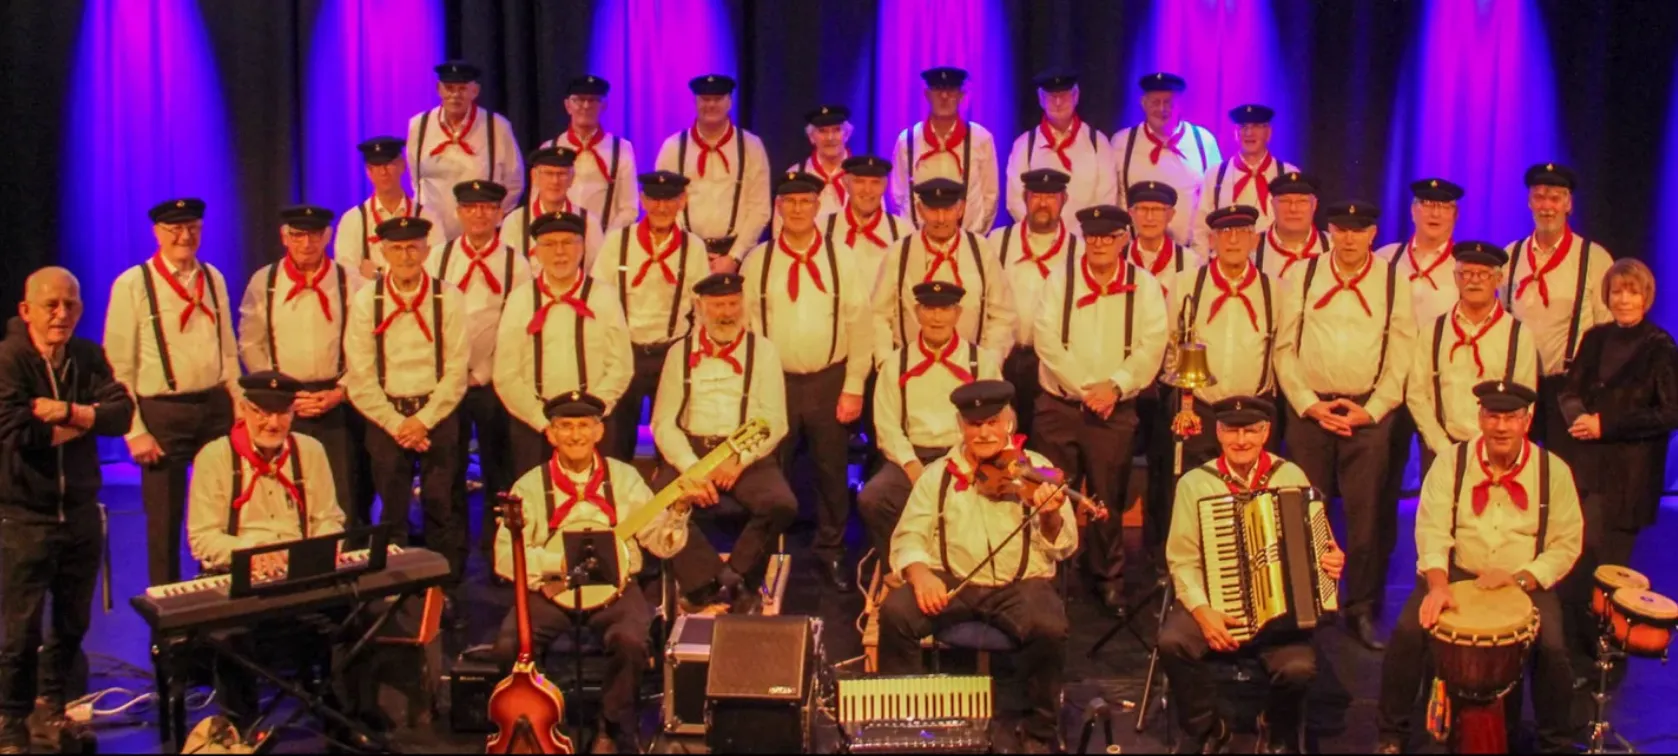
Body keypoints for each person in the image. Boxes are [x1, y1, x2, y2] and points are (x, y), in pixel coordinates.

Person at [1375, 381, 1582, 755]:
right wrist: (1438, 585)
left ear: (1527, 420)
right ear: (1480, 418)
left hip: (1524, 580)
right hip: (1457, 573)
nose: (1501, 427)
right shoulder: (1451, 463)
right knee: (1407, 632)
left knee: (1552, 648)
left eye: (1511, 418)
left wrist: (1520, 578)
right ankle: (1392, 734)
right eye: (1493, 416)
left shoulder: (1554, 471)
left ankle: (1555, 742)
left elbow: (1566, 545)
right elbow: (1432, 530)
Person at [877, 380, 1075, 754]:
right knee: (896, 613)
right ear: (961, 426)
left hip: (1020, 584)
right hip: (955, 582)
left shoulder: (1038, 469)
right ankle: (904, 725)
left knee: (1050, 626)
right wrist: (920, 574)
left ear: (1008, 423)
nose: (984, 433)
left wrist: (1050, 516)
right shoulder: (937, 475)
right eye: (974, 424)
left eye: (992, 422)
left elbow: (1064, 546)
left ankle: (1040, 731)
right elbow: (908, 536)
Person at [491, 391, 693, 754]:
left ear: (599, 432)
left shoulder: (625, 479)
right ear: (551, 434)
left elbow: (660, 544)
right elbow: (504, 557)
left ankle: (611, 729)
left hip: (616, 588)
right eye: (565, 426)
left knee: (631, 643)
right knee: (511, 646)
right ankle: (544, 725)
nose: (575, 435)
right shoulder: (530, 486)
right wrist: (555, 565)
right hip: (552, 590)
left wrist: (677, 513)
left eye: (584, 425)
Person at [1158, 396, 1344, 755]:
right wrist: (1202, 612)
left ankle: (1275, 726)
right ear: (1218, 432)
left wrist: (1331, 559)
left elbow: (1322, 543)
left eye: (1250, 431)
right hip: (1212, 600)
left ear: (1266, 432)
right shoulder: (1196, 483)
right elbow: (1182, 560)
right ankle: (1208, 727)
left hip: (1279, 611)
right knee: (1173, 643)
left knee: (1298, 669)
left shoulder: (1290, 476)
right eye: (1232, 431)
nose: (1241, 440)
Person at [0, 267, 132, 753]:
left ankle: (51, 708)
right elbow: (16, 432)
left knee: (72, 624)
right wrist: (88, 421)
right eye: (51, 305)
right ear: (26, 310)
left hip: (79, 511)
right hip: (26, 516)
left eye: (70, 304)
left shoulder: (86, 356)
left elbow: (121, 415)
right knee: (20, 631)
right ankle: (10, 721)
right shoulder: (9, 360)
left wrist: (68, 412)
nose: (62, 314)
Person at [1274, 200, 1414, 650]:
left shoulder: (1393, 280)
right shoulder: (1303, 274)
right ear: (1329, 230)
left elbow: (1401, 355)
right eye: (1341, 228)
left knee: (1365, 515)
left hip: (1366, 414)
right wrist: (1308, 404)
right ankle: (1305, 603)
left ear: (1373, 234)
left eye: (1359, 229)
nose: (1349, 237)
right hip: (1312, 411)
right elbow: (1284, 349)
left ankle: (1360, 609)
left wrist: (1373, 410)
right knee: (1303, 510)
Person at [184, 371, 346, 732]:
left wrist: (312, 553)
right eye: (262, 413)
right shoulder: (215, 457)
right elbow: (202, 539)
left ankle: (341, 722)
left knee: (356, 613)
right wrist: (254, 552)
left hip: (301, 576)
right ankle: (242, 731)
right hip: (239, 578)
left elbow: (330, 520)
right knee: (232, 635)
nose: (272, 423)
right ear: (243, 410)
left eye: (282, 413)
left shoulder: (310, 451)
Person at [740, 171, 873, 592]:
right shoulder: (758, 260)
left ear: (818, 206)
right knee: (769, 469)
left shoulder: (840, 257)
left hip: (828, 379)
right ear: (778, 207)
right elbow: (747, 327)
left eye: (805, 201)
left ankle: (830, 550)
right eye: (790, 202)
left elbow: (860, 325)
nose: (797, 209)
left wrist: (854, 385)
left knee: (831, 471)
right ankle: (764, 556)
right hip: (774, 382)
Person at [1034, 204, 1169, 610]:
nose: (1099, 244)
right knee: (1053, 491)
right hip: (1060, 405)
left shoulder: (1144, 285)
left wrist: (1116, 387)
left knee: (1108, 495)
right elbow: (1046, 340)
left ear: (1123, 239)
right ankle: (1051, 574)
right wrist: (1086, 390)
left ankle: (1107, 577)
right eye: (1092, 237)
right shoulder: (1060, 280)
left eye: (1108, 237)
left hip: (1116, 408)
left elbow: (1152, 344)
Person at [104, 197, 241, 586]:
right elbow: (118, 365)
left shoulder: (212, 277)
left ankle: (221, 596)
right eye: (175, 229)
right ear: (157, 233)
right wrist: (135, 430)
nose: (185, 236)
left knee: (225, 510)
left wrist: (238, 403)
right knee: (164, 518)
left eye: (193, 228)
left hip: (214, 408)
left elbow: (227, 349)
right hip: (163, 414)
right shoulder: (134, 283)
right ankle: (167, 604)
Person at [650, 273, 794, 614]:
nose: (726, 313)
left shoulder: (764, 351)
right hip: (692, 450)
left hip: (745, 450)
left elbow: (776, 420)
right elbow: (662, 422)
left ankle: (737, 577)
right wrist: (692, 469)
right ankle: (708, 582)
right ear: (700, 307)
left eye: (732, 304)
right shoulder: (679, 353)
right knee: (656, 503)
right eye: (718, 305)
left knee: (781, 504)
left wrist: (740, 458)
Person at [1558, 259, 1678, 660]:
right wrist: (1579, 419)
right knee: (1578, 555)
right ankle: (1576, 646)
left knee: (1608, 562)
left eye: (1632, 292)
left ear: (1646, 297)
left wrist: (1606, 425)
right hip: (1587, 467)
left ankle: (1605, 648)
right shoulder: (1595, 338)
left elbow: (1670, 413)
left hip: (1629, 476)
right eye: (1617, 292)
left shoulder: (1660, 347)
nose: (1624, 299)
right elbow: (1569, 391)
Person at [1152, 205, 1281, 579]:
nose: (1233, 240)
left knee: (1250, 494)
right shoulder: (1186, 284)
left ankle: (1246, 575)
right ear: (1211, 240)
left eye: (1242, 232)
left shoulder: (1275, 290)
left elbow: (1281, 350)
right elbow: (1171, 346)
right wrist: (1183, 397)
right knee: (1192, 493)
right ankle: (1187, 574)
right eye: (1225, 233)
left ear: (1254, 240)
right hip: (1201, 408)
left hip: (1254, 410)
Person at [342, 217, 470, 583]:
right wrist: (398, 425)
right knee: (392, 510)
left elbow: (457, 370)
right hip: (387, 417)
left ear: (427, 250)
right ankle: (395, 590)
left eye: (413, 247)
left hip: (436, 414)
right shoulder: (367, 301)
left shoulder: (448, 297)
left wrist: (423, 421)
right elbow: (360, 376)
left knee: (441, 506)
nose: (406, 256)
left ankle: (445, 589)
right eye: (397, 248)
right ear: (384, 252)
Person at [238, 205, 363, 525]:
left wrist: (341, 391)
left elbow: (365, 345)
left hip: (335, 399)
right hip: (283, 401)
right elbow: (251, 343)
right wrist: (278, 394)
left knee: (341, 491)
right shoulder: (265, 281)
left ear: (327, 236)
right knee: (285, 488)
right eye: (298, 235)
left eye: (314, 235)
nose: (306, 244)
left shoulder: (348, 280)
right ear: (284, 237)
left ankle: (342, 553)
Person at [858, 282, 1001, 559]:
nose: (937, 317)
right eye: (929, 309)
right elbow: (887, 426)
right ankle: (899, 565)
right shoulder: (896, 363)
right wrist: (911, 465)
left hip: (965, 455)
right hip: (913, 456)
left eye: (945, 309)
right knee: (873, 499)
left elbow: (995, 418)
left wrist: (966, 460)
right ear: (916, 312)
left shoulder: (981, 362)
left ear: (957, 314)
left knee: (990, 497)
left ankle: (962, 564)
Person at [428, 180, 530, 556]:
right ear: (458, 213)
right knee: (447, 472)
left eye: (487, 208)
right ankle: (450, 559)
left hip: (494, 381)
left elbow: (517, 326)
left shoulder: (515, 263)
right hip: (447, 381)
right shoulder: (438, 258)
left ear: (500, 213)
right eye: (471, 207)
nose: (479, 215)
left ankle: (499, 554)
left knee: (499, 471)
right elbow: (430, 320)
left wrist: (484, 372)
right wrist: (453, 374)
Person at [494, 211, 631, 479]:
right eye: (549, 244)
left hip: (594, 425)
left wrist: (588, 419)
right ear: (536, 252)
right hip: (534, 427)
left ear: (582, 247)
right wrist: (543, 422)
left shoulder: (604, 296)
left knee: (598, 496)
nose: (559, 252)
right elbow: (506, 373)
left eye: (568, 242)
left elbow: (620, 365)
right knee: (535, 497)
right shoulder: (520, 299)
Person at [591, 171, 712, 462]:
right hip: (625, 352)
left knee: (671, 440)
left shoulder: (693, 247)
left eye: (669, 200)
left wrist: (695, 352)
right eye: (655, 200)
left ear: (682, 201)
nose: (661, 207)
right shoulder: (618, 242)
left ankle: (669, 492)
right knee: (615, 441)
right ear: (643, 200)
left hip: (670, 352)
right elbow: (599, 300)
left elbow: (702, 307)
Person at [1504, 162, 1613, 449]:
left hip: (1570, 386)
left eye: (1555, 198)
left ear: (1568, 204)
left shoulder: (1593, 258)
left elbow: (1606, 331)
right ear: (1529, 202)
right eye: (1539, 197)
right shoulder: (1510, 256)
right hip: (1519, 383)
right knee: (1517, 464)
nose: (1547, 206)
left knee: (1566, 467)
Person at [1406, 242, 1537, 474]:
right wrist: (1441, 446)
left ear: (1498, 280)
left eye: (1483, 274)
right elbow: (1416, 393)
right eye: (1466, 273)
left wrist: (1494, 446)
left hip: (1497, 454)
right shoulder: (1433, 330)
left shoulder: (1518, 335)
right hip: (1441, 450)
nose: (1474, 281)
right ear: (1456, 278)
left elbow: (1526, 401)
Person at [872, 178, 1016, 366]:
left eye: (947, 210)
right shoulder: (899, 252)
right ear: (920, 209)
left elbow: (1002, 315)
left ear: (961, 209)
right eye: (933, 210)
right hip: (911, 370)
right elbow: (878, 314)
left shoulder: (982, 251)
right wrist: (886, 362)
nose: (940, 219)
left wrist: (989, 362)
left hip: (970, 370)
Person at [987, 168, 1080, 435]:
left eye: (1051, 197)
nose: (1043, 203)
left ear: (1064, 199)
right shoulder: (998, 242)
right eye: (1036, 196)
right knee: (1003, 436)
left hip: (1050, 362)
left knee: (1044, 440)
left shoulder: (1078, 250)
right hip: (1004, 355)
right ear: (1025, 198)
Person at [655, 74, 771, 271]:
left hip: (735, 257)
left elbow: (760, 209)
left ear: (730, 102)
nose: (711, 105)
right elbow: (663, 204)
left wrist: (734, 257)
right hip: (683, 253)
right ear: (695, 102)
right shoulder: (674, 147)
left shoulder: (751, 146)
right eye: (705, 99)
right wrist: (688, 250)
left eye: (718, 99)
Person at [406, 60, 524, 239]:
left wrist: (490, 219)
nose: (455, 95)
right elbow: (416, 179)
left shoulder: (496, 127)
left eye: (462, 89)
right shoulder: (419, 125)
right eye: (449, 88)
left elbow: (514, 182)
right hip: (431, 233)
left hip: (480, 234)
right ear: (439, 89)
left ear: (475, 91)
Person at [1112, 73, 1222, 245]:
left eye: (1169, 102)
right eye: (1155, 102)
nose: (1162, 109)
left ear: (1181, 105)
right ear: (1143, 103)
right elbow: (1115, 200)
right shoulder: (1122, 142)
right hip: (1134, 253)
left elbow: (1215, 200)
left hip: (1191, 255)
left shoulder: (1204, 142)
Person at [890, 67, 1001, 233]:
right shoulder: (907, 140)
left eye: (951, 90)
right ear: (927, 94)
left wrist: (975, 236)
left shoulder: (981, 138)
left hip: (966, 239)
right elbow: (898, 196)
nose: (944, 96)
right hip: (917, 239)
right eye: (937, 89)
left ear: (961, 95)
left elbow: (990, 196)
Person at [1003, 68, 1116, 227]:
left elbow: (1106, 198)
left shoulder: (1098, 143)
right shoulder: (1024, 145)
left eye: (1064, 95)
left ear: (1076, 97)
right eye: (1051, 97)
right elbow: (1015, 200)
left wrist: (1086, 235)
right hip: (1038, 237)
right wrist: (1043, 232)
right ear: (1041, 100)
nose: (1058, 103)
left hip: (1086, 238)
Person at [334, 136, 446, 282]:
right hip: (371, 297)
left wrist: (379, 273)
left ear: (402, 165)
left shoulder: (428, 217)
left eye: (389, 164)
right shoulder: (353, 220)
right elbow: (348, 275)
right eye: (377, 166)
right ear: (368, 171)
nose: (383, 172)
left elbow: (437, 267)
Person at [1192, 105, 1296, 253]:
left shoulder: (1287, 174)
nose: (1249, 133)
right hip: (1226, 261)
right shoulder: (1214, 175)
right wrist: (1203, 265)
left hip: (1274, 261)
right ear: (1235, 133)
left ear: (1268, 132)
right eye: (1243, 127)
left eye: (1256, 126)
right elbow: (1200, 229)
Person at [540, 74, 639, 231]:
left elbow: (629, 208)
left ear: (604, 106)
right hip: (559, 237)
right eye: (579, 100)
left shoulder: (621, 149)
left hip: (605, 240)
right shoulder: (549, 149)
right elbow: (538, 202)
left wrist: (605, 239)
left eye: (593, 100)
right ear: (567, 105)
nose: (586, 106)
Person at [1377, 178, 1465, 330]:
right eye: (1427, 204)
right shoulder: (1386, 258)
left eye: (1444, 206)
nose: (1435, 213)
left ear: (1455, 216)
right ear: (1413, 210)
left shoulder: (1465, 267)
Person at [506, 146, 604, 273]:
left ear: (572, 178)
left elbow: (597, 274)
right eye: (548, 173)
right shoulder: (515, 222)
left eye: (562, 174)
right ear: (534, 177)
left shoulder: (589, 223)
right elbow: (509, 274)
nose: (555, 181)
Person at [819, 154, 910, 291]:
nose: (867, 190)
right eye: (859, 181)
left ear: (885, 185)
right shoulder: (822, 228)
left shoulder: (903, 232)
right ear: (845, 183)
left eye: (875, 182)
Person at [1126, 181, 1200, 300]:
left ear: (1170, 215)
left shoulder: (1189, 261)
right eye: (1143, 209)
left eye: (1157, 210)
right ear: (1131, 214)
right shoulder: (1119, 258)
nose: (1149, 217)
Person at [1252, 171, 1329, 281]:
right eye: (1285, 201)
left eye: (1302, 201)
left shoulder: (1334, 247)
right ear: (1273, 205)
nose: (1293, 209)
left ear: (1314, 205)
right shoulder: (1252, 249)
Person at [787, 105, 853, 221]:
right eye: (822, 131)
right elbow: (782, 224)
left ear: (847, 134)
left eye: (837, 130)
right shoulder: (796, 175)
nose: (830, 138)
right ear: (811, 137)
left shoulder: (864, 175)